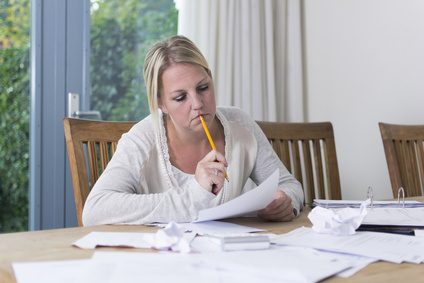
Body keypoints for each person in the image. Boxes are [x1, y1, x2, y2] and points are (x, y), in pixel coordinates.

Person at [82, 35, 304, 226]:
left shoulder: (240, 124)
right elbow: (95, 209)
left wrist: (287, 202)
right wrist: (194, 196)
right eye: (180, 97)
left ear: (211, 77)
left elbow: (288, 185)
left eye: (203, 87)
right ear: (161, 103)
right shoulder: (142, 139)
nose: (197, 103)